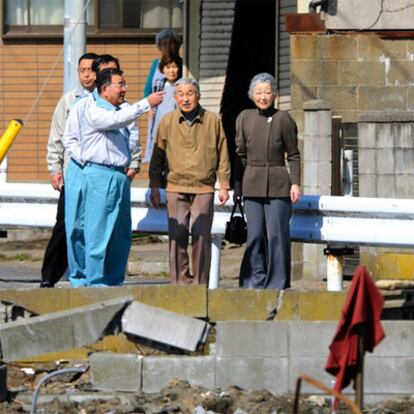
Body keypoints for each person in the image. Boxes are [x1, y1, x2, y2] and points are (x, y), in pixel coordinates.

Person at [63, 68, 164, 287]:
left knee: (120, 234)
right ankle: (95, 282)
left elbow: (132, 135)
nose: (125, 89)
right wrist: (146, 102)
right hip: (99, 173)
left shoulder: (124, 109)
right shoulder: (93, 108)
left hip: (119, 175)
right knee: (97, 233)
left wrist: (134, 162)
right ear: (105, 89)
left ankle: (115, 281)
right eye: (121, 84)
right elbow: (113, 120)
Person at [149, 77, 231, 286]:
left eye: (190, 94)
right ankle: (180, 283)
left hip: (203, 186)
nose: (185, 99)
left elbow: (223, 153)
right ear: (175, 98)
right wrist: (155, 184)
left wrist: (224, 184)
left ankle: (200, 284)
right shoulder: (167, 121)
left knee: (201, 235)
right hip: (175, 185)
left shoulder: (213, 120)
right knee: (177, 235)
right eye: (181, 95)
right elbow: (157, 157)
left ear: (198, 95)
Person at [234, 72, 301, 290]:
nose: (263, 96)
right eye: (259, 92)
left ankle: (278, 283)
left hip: (279, 183)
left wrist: (296, 183)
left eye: (267, 92)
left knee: (277, 236)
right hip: (251, 183)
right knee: (254, 236)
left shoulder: (284, 119)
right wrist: (237, 186)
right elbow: (240, 154)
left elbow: (293, 154)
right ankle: (254, 280)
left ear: (274, 94)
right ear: (252, 95)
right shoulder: (244, 117)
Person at [40, 52, 98, 288]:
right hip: (72, 173)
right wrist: (54, 169)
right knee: (65, 225)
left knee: (95, 228)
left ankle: (89, 277)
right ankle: (49, 276)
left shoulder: (106, 99)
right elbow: (56, 137)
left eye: (90, 69)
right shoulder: (68, 100)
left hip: (97, 174)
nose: (86, 74)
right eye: (82, 70)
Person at [143, 53, 182, 162]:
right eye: (168, 67)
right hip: (160, 131)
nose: (172, 71)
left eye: (174, 67)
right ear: (162, 70)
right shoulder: (159, 89)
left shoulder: (181, 87)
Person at [144, 29, 181, 98]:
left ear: (177, 46)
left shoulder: (182, 63)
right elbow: (148, 88)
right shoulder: (156, 63)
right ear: (160, 47)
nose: (168, 47)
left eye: (171, 43)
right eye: (164, 44)